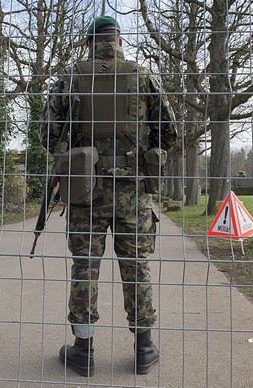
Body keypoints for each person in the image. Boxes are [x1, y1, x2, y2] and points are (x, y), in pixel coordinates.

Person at [40, 16, 178, 376]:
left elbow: (46, 135)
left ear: (89, 43)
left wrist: (76, 149)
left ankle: (83, 351)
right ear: (119, 41)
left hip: (86, 191)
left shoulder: (70, 78)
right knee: (137, 268)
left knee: (85, 267)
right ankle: (144, 349)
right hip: (133, 193)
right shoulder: (143, 76)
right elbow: (170, 131)